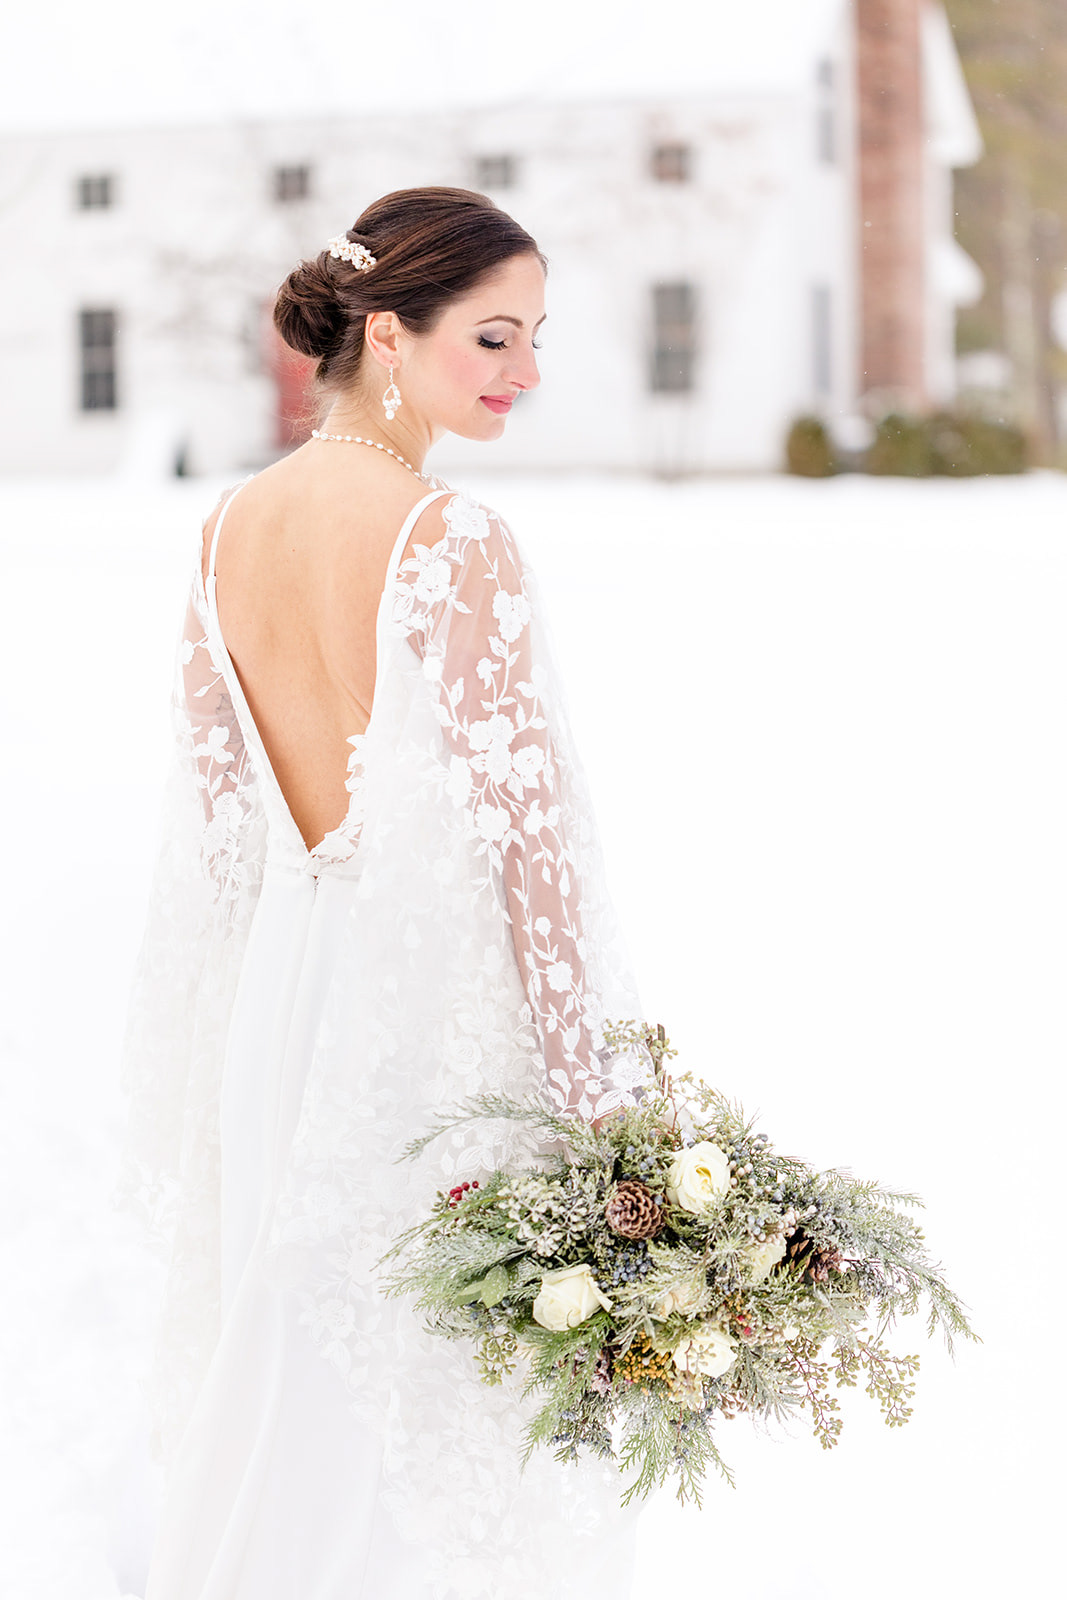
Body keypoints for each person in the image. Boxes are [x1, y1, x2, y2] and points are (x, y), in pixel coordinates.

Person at [116, 186, 655, 1600]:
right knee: (404, 1391)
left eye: (534, 338)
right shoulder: (452, 541)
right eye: (492, 336)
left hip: (277, 999)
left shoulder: (228, 528)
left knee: (290, 1350)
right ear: (388, 334)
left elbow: (226, 821)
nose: (525, 373)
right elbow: (530, 844)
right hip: (414, 1018)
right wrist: (597, 1100)